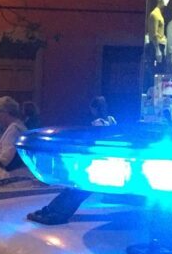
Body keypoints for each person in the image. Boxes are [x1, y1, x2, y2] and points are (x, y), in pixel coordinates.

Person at [27, 96, 118, 225]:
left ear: (93, 109)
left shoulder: (98, 123)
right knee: (79, 187)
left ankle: (55, 212)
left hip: (102, 161)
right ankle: (53, 211)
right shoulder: (112, 120)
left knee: (80, 187)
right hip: (107, 160)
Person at [0, 96, 28, 187]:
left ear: (5, 113)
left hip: (13, 179)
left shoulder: (14, 129)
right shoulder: (18, 126)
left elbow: (5, 159)